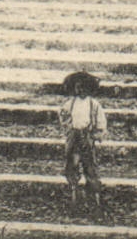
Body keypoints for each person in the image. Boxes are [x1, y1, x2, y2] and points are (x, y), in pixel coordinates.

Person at [58, 71, 107, 210]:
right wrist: (69, 129)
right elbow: (63, 116)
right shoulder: (70, 104)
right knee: (72, 164)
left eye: (84, 87)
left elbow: (101, 121)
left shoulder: (94, 104)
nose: (81, 90)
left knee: (90, 165)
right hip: (75, 137)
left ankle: (95, 198)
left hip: (87, 137)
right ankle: (74, 195)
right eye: (78, 87)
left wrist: (96, 134)